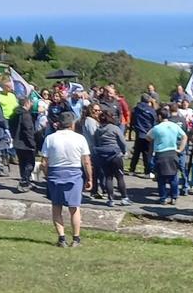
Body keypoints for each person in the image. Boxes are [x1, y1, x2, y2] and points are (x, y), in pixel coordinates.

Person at [40, 111, 92, 248]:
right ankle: (76, 239)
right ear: (72, 124)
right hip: (74, 172)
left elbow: (44, 162)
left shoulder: (50, 138)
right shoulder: (80, 138)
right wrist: (89, 178)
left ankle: (61, 238)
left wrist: (47, 175)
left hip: (55, 172)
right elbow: (86, 161)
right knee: (74, 208)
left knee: (56, 207)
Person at [147, 107, 188, 205]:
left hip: (161, 153)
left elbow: (148, 137)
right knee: (173, 177)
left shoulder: (157, 127)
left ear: (160, 116)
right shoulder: (174, 126)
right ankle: (174, 197)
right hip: (173, 152)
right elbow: (184, 136)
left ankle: (163, 197)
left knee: (161, 178)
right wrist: (180, 149)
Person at [93, 108, 132, 207]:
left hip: (103, 156)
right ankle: (124, 198)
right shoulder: (114, 128)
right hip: (115, 155)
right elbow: (122, 141)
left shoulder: (98, 130)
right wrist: (124, 151)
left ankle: (111, 199)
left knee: (108, 177)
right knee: (119, 177)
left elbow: (96, 143)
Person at [13, 97, 37, 192]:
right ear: (27, 103)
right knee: (30, 163)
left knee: (22, 163)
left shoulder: (15, 113)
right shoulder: (26, 115)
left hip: (17, 142)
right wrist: (32, 143)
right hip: (26, 143)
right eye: (30, 102)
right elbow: (28, 130)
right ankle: (24, 181)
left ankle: (26, 181)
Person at [130, 94, 156, 177]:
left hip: (139, 132)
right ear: (148, 101)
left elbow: (132, 120)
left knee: (136, 152)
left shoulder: (135, 109)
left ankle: (132, 169)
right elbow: (154, 121)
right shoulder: (151, 110)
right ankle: (147, 171)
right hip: (148, 133)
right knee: (146, 153)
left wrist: (132, 128)